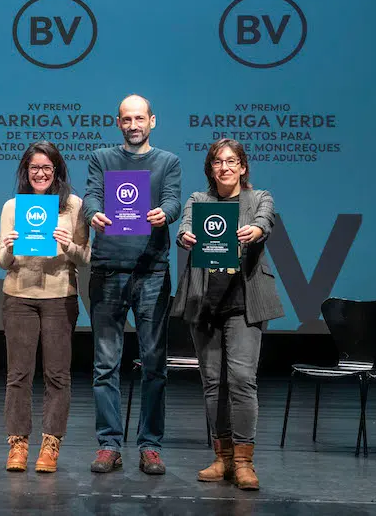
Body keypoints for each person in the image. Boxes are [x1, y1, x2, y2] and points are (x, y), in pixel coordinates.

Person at [171, 138, 283, 491]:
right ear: (210, 169)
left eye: (232, 161)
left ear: (243, 167)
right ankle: (222, 458)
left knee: (241, 380)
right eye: (218, 162)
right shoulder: (198, 201)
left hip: (244, 302)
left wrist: (257, 230)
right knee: (213, 384)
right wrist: (186, 235)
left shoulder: (259, 198)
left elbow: (266, 221)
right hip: (204, 301)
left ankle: (244, 461)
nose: (225, 167)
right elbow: (185, 226)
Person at [83, 94, 182, 475]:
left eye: (140, 118)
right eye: (127, 119)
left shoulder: (167, 161)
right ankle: (109, 444)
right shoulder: (101, 158)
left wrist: (165, 213)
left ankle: (150, 445)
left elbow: (173, 199)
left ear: (152, 121)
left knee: (154, 364)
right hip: (108, 269)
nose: (133, 125)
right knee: (105, 365)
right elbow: (92, 194)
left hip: (152, 271)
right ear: (118, 123)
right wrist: (92, 212)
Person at [0, 141, 89, 473]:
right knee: (18, 375)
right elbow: (3, 261)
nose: (40, 173)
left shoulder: (74, 206)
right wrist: (7, 249)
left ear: (57, 171)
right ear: (26, 172)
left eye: (46, 168)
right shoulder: (12, 206)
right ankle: (18, 445)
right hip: (19, 295)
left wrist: (69, 246)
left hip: (59, 295)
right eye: (34, 168)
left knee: (57, 375)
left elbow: (86, 256)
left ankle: (50, 445)